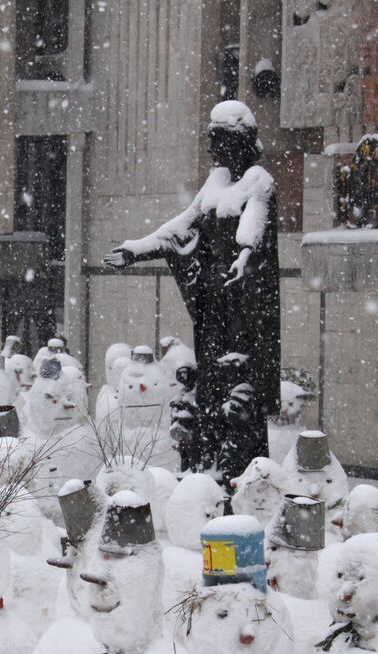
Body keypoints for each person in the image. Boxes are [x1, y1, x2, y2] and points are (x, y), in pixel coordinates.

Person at [104, 100, 280, 482]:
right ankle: (209, 467)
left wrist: (245, 256)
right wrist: (137, 250)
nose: (213, 150)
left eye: (219, 141)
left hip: (244, 300)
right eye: (211, 141)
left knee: (239, 380)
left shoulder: (258, 181)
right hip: (214, 300)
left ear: (239, 140)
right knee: (213, 381)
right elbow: (180, 228)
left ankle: (240, 471)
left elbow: (254, 225)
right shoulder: (216, 184)